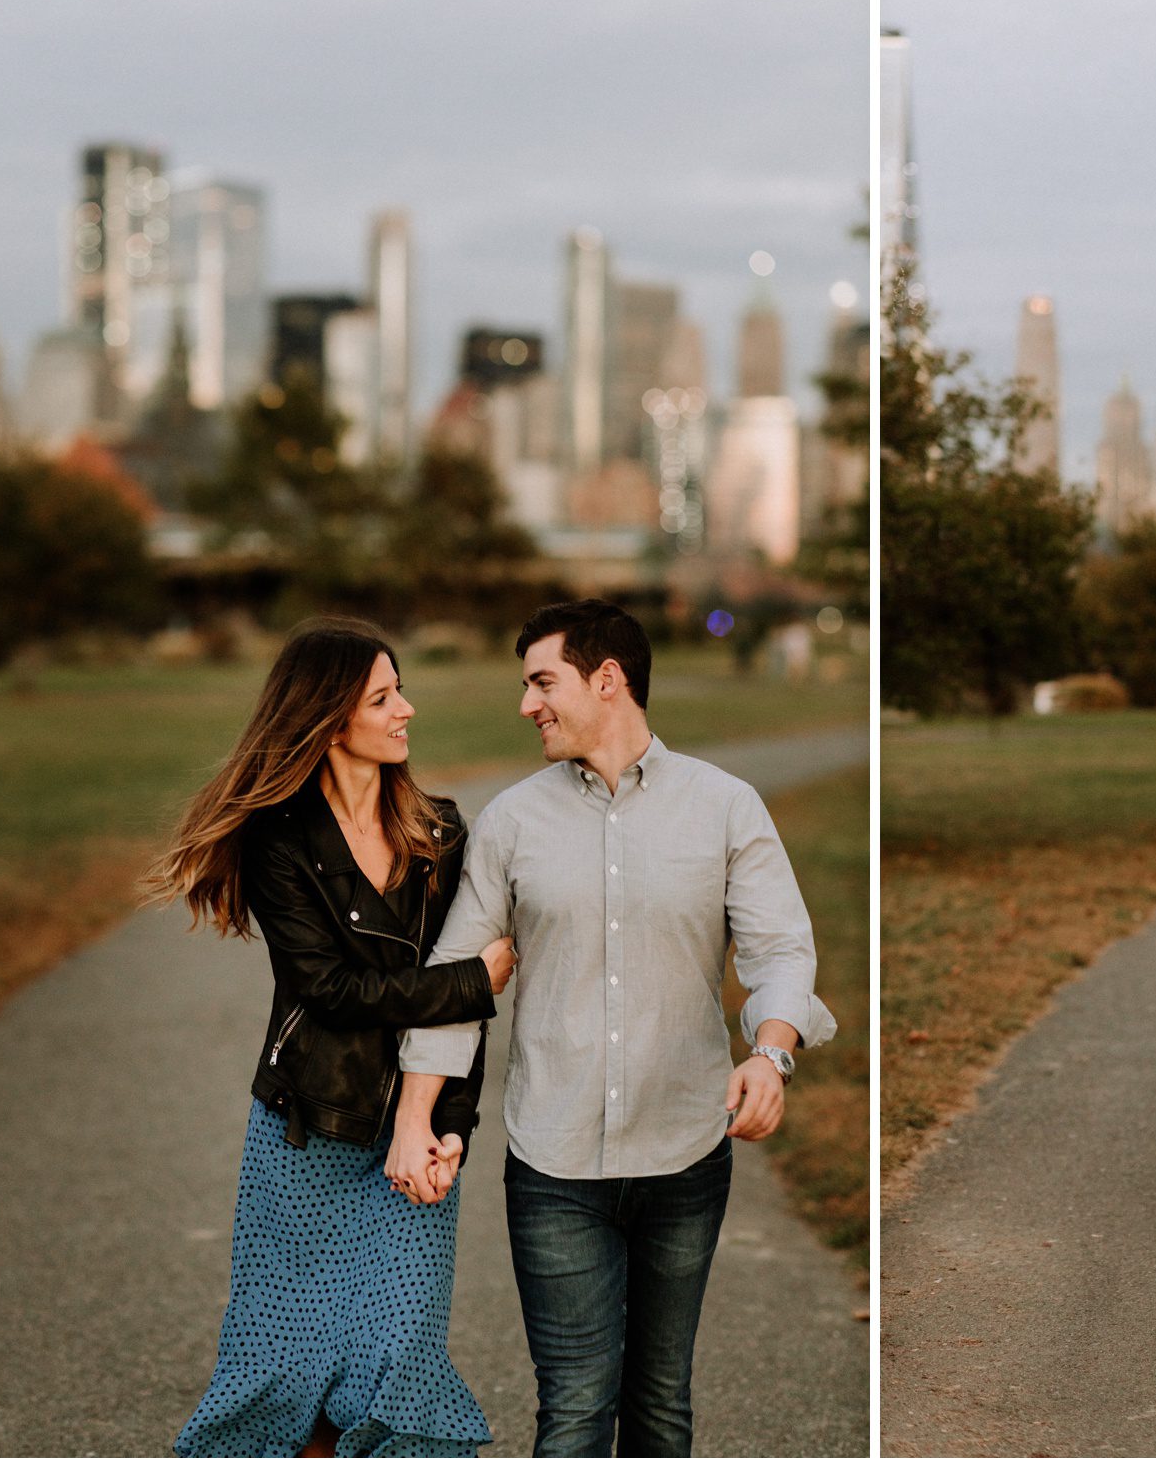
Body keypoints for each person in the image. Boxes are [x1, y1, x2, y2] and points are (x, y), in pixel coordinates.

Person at [400, 599, 836, 1457]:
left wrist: (772, 1054)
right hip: (553, 1165)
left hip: (683, 1156)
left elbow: (781, 946)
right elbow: (450, 985)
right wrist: (418, 1117)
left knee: (661, 1407)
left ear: (608, 680)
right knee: (573, 1411)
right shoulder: (512, 822)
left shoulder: (725, 806)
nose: (527, 705)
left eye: (542, 682)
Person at [148, 617, 518, 1456]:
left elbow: (456, 1025)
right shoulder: (279, 838)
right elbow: (333, 992)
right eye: (384, 697)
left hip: (416, 1137)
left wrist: (449, 1126)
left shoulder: (442, 835)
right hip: (305, 1131)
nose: (407, 710)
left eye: (400, 692)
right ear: (328, 718)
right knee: (282, 1367)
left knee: (397, 1359)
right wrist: (472, 980)